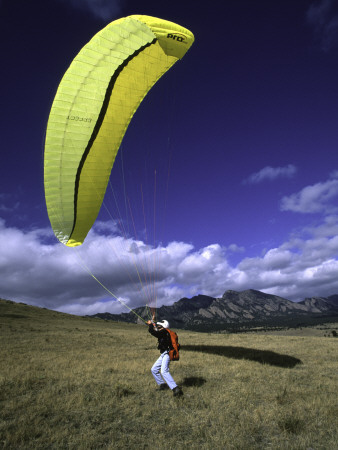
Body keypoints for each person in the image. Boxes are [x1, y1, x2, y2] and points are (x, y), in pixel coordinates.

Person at [147, 318, 183, 397]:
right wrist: (153, 325)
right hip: (164, 353)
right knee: (154, 369)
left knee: (164, 371)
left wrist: (150, 325)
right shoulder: (164, 332)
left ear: (164, 327)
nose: (158, 327)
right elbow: (156, 331)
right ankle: (163, 385)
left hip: (167, 353)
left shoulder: (164, 332)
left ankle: (176, 389)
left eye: (160, 326)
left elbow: (153, 332)